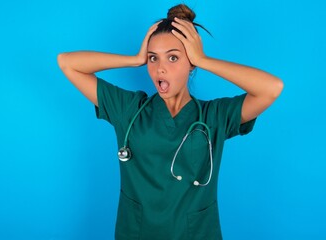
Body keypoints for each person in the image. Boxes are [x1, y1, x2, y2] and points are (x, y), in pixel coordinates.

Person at [57, 4, 283, 240]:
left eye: (173, 57)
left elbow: (271, 88)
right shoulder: (129, 109)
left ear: (191, 63)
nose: (160, 69)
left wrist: (203, 59)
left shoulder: (214, 116)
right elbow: (67, 62)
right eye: (153, 58)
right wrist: (134, 59)